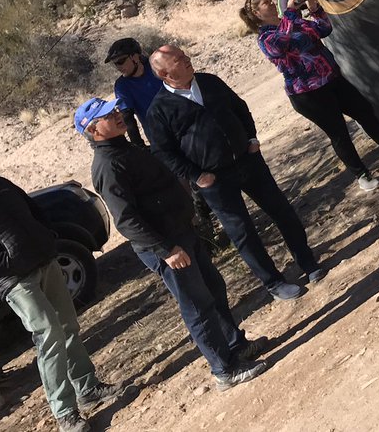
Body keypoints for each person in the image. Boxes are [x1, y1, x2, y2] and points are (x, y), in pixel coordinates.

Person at [0, 133, 127, 432]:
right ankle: (65, 414)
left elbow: (35, 212)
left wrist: (47, 238)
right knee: (48, 334)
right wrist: (5, 262)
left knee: (69, 327)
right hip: (14, 281)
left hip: (45, 262)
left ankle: (87, 389)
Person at [74, 97, 269, 392]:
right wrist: (165, 250)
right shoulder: (107, 165)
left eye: (114, 111)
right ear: (93, 131)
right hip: (166, 246)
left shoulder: (127, 148)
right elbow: (126, 220)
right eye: (107, 116)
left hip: (181, 232)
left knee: (213, 288)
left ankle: (234, 346)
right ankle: (224, 370)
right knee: (197, 305)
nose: (116, 116)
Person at [144, 45, 322, 301]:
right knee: (243, 232)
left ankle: (308, 263)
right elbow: (164, 153)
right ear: (164, 73)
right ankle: (274, 283)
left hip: (248, 161)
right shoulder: (159, 111)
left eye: (184, 55)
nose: (187, 60)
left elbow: (240, 107)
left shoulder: (208, 82)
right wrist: (196, 175)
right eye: (179, 59)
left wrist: (252, 138)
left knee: (282, 211)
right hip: (214, 180)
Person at [239, 0, 379, 192]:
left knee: (364, 111)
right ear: (258, 14)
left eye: (270, 0)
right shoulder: (266, 38)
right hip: (308, 94)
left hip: (331, 79)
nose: (272, 3)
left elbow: (324, 29)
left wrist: (315, 9)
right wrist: (291, 12)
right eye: (266, 3)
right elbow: (281, 45)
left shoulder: (294, 22)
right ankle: (362, 175)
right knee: (339, 133)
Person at [106, 37, 224, 252]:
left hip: (187, 130)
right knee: (183, 189)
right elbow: (128, 117)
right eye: (115, 64)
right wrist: (139, 147)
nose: (119, 67)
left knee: (205, 178)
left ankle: (222, 219)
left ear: (135, 57)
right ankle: (205, 236)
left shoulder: (156, 68)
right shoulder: (122, 85)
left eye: (121, 61)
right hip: (162, 141)